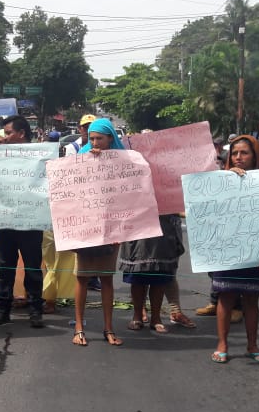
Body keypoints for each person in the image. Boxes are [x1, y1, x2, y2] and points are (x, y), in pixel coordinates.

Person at [210, 135, 259, 364]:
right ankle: (222, 344)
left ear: (255, 155)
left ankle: (252, 345)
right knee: (225, 297)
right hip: (227, 250)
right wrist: (227, 180)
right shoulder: (221, 180)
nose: (238, 157)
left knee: (251, 299)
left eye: (244, 153)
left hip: (255, 250)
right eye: (234, 153)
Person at [71, 118, 126, 347]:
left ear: (110, 139)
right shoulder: (80, 158)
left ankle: (108, 327)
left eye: (99, 138)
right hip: (85, 227)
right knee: (82, 278)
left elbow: (127, 196)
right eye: (92, 138)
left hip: (110, 230)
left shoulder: (123, 161)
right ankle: (79, 327)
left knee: (106, 279)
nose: (94, 142)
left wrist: (120, 232)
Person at [0, 116, 45, 328]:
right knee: (4, 267)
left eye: (9, 132)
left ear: (21, 133)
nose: (5, 136)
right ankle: (2, 309)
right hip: (5, 220)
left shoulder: (40, 156)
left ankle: (35, 310)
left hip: (31, 222)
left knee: (32, 267)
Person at [121, 214, 184, 334]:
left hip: (162, 225)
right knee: (137, 277)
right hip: (138, 224)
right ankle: (137, 316)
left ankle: (156, 318)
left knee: (159, 277)